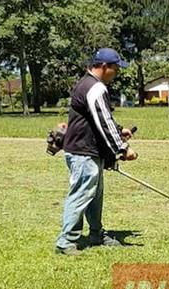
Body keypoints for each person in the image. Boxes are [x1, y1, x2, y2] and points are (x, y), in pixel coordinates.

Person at [55, 48, 138, 256]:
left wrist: (120, 131)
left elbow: (96, 118)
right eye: (115, 69)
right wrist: (122, 148)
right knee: (82, 193)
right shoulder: (95, 88)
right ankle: (65, 242)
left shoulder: (85, 83)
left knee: (94, 194)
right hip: (83, 151)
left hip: (86, 150)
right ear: (104, 67)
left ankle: (95, 234)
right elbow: (103, 120)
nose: (117, 73)